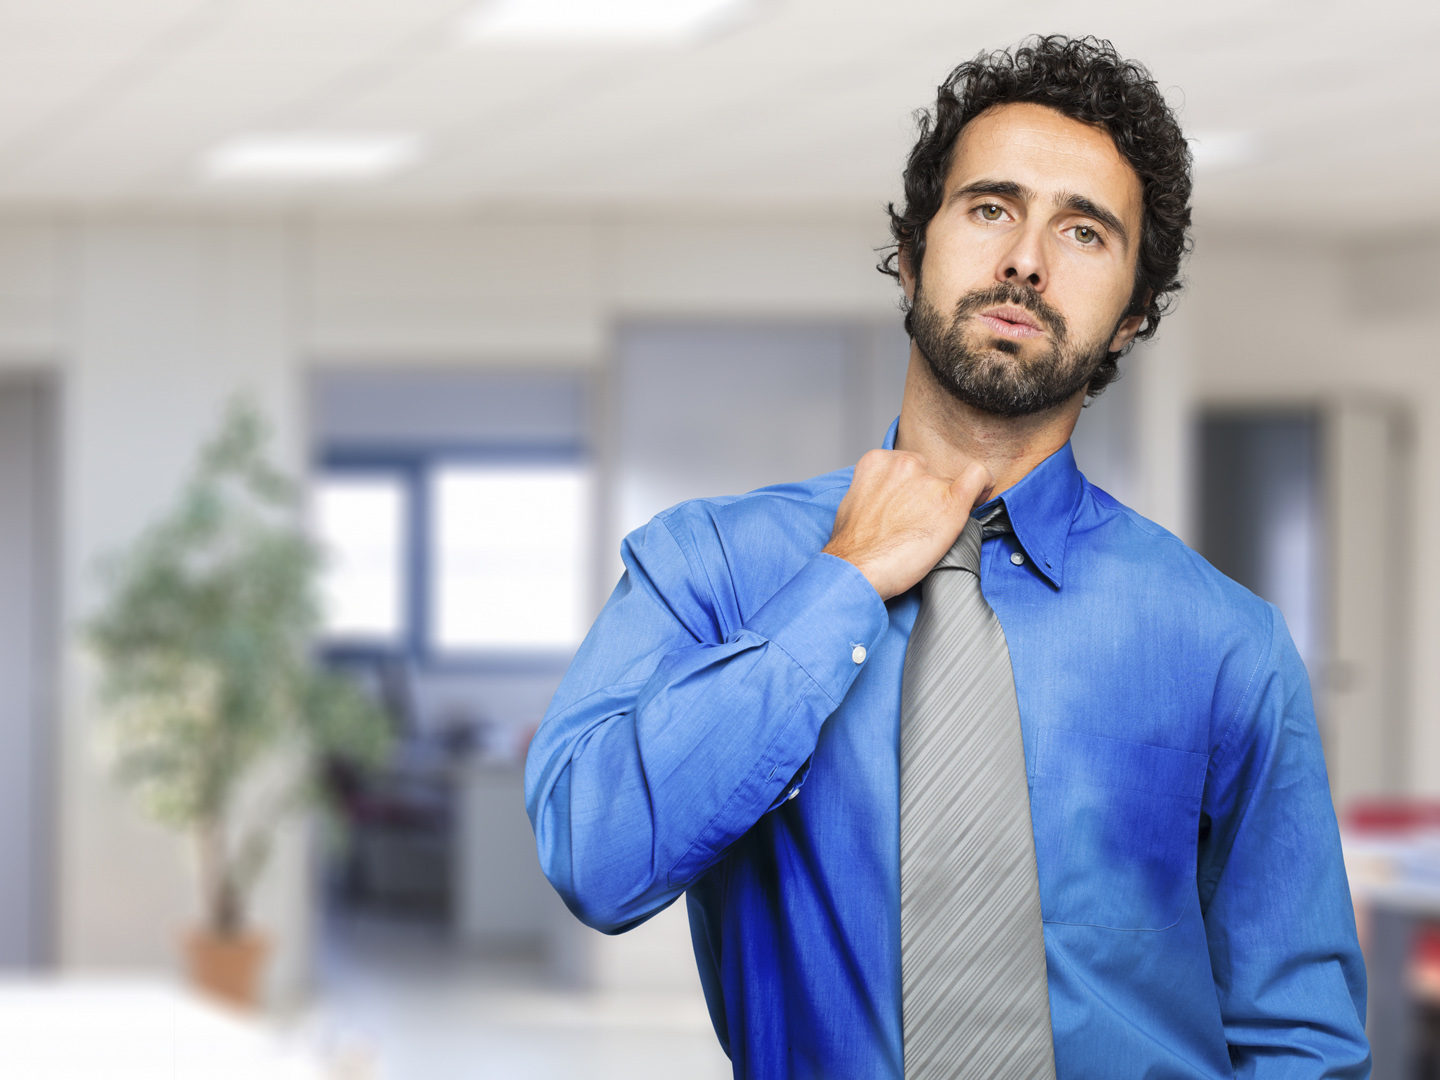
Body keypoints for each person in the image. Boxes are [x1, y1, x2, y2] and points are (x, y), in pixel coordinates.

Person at [525, 35, 1369, 1079]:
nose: (1025, 258)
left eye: (1085, 231)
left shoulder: (1225, 644)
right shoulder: (712, 567)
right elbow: (595, 857)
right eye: (989, 208)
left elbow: (1299, 1036)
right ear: (912, 253)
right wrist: (837, 585)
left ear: (1130, 322)